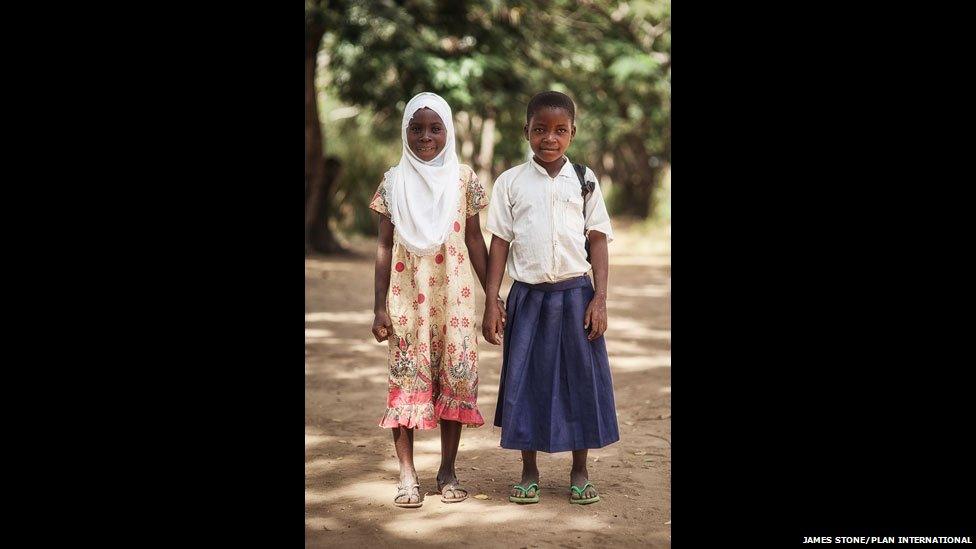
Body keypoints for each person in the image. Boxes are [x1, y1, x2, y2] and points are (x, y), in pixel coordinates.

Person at [482, 90, 619, 505]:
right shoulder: (510, 182)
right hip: (529, 299)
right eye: (540, 129)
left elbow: (597, 240)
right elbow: (500, 243)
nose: (549, 138)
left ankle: (580, 470)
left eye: (560, 130)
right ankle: (529, 470)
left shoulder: (584, 179)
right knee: (527, 381)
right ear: (526, 131)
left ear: (572, 133)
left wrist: (600, 298)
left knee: (581, 380)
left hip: (576, 296)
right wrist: (492, 299)